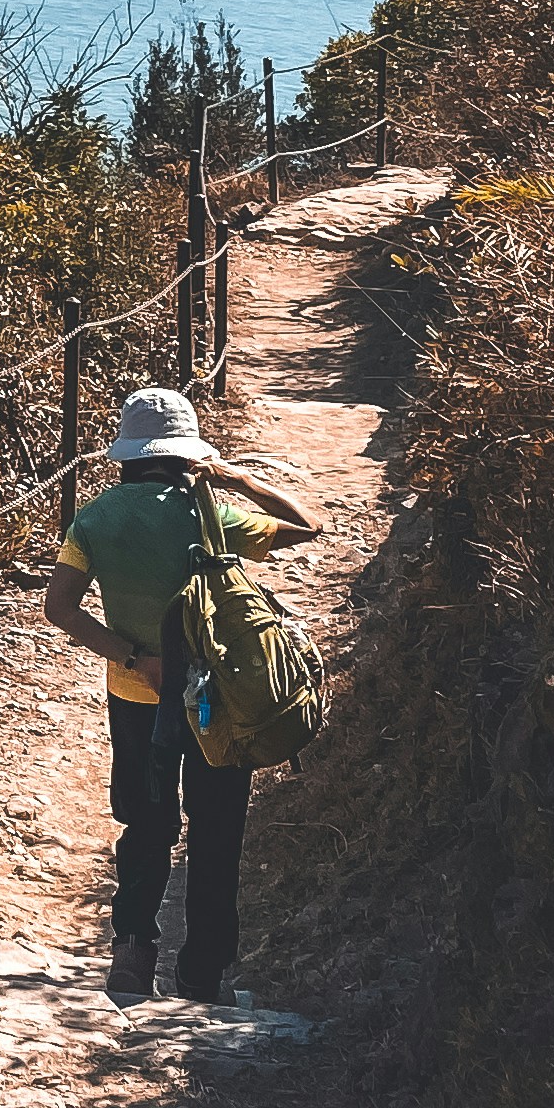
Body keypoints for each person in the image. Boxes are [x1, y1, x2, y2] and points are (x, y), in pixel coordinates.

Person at [40, 385, 321, 1003]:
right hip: (216, 703)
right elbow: (310, 526)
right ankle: (202, 974)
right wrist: (234, 476)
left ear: (128, 452)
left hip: (137, 695)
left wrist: (135, 657)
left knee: (145, 823)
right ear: (185, 451)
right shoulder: (210, 514)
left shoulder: (94, 518)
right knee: (217, 833)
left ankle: (133, 953)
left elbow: (59, 606)